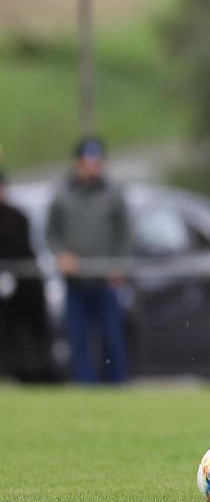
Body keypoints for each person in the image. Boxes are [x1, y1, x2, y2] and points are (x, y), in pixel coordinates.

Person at [47, 138, 130, 384]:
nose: (92, 167)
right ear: (78, 163)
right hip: (75, 280)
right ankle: (84, 385)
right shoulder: (63, 195)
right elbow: (52, 234)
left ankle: (116, 385)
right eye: (87, 162)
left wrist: (119, 263)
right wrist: (61, 254)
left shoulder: (113, 194)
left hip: (106, 279)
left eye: (97, 162)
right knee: (77, 337)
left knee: (111, 336)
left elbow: (124, 234)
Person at [0, 168, 53, 381]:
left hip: (23, 287)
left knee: (29, 333)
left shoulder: (17, 217)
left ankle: (34, 372)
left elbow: (23, 251)